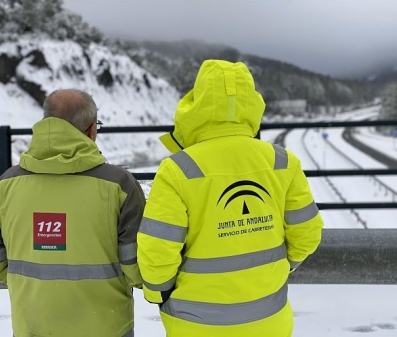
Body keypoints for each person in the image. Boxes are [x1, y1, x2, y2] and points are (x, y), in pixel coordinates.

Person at [137, 60, 324, 337]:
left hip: (196, 324)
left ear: (196, 104)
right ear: (252, 103)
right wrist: (284, 266)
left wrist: (158, 293)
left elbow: (158, 250)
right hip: (269, 320)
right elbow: (307, 234)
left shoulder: (177, 169)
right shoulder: (283, 161)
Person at [0, 89, 145, 337]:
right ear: (91, 130)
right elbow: (137, 268)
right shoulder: (119, 184)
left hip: (31, 326)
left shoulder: (6, 184)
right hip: (105, 327)